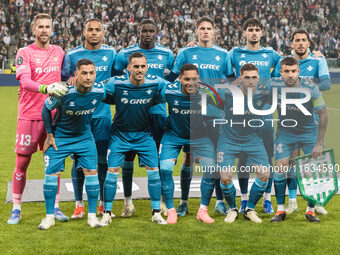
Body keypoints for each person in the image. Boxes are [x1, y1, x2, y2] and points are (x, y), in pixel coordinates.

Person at [170, 16, 234, 217]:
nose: (205, 31)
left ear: (214, 32)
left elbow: (230, 81)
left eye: (209, 28)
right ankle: (183, 202)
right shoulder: (185, 52)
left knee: (215, 158)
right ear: (196, 32)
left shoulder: (223, 54)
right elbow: (173, 78)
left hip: (215, 112)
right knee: (188, 157)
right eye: (202, 28)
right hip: (191, 112)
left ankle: (220, 201)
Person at [8, 13, 68, 225]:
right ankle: (16, 208)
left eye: (47, 26)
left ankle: (56, 207)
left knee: (53, 164)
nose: (44, 30)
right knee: (22, 163)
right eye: (40, 26)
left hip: (53, 117)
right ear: (34, 30)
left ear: (52, 29)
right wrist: (45, 88)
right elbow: (24, 80)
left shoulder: (59, 52)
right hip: (29, 116)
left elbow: (66, 77)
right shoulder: (25, 52)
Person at [113, 19, 174, 217]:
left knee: (155, 160)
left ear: (157, 33)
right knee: (128, 158)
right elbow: (116, 77)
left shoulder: (167, 53)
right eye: (144, 31)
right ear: (138, 32)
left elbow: (172, 80)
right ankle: (128, 202)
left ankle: (161, 202)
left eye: (151, 31)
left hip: (157, 112)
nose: (148, 34)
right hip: (131, 111)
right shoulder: (125, 54)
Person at [100, 52, 168, 225]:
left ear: (147, 67)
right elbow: (94, 89)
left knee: (154, 172)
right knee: (112, 171)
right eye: (135, 66)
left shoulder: (155, 82)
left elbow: (177, 89)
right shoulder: (116, 82)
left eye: (142, 66)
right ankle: (107, 213)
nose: (139, 69)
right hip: (119, 135)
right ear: (128, 68)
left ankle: (156, 213)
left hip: (144, 135)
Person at [39, 58, 106, 230]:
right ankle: (49, 217)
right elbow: (46, 109)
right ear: (75, 75)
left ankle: (91, 217)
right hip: (60, 138)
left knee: (92, 172)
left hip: (84, 138)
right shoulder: (64, 92)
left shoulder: (100, 90)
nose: (88, 77)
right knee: (51, 175)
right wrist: (49, 134)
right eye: (84, 73)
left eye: (91, 73)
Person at [61, 18, 117, 219]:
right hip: (79, 117)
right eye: (90, 29)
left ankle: (102, 203)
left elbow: (119, 76)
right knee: (78, 161)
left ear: (103, 33)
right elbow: (63, 81)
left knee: (102, 161)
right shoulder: (73, 54)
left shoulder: (111, 53)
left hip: (102, 116)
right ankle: (78, 204)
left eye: (98, 30)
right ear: (84, 32)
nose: (94, 33)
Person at [273, 29, 331, 215]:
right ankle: (291, 201)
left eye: (303, 40)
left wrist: (303, 85)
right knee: (288, 162)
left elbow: (326, 85)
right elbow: (275, 80)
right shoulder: (284, 62)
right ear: (291, 44)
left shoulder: (317, 60)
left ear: (308, 43)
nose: (300, 43)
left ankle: (314, 203)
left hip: (309, 121)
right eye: (296, 40)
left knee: (310, 165)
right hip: (287, 124)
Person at [228, 18, 282, 214]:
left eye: (257, 30)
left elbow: (289, 64)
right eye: (250, 29)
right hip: (241, 113)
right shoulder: (234, 53)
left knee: (268, 157)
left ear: (262, 33)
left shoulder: (271, 54)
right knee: (243, 157)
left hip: (264, 113)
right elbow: (226, 75)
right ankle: (243, 199)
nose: (253, 33)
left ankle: (267, 200)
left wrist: (315, 56)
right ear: (244, 33)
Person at [159, 64, 216, 224]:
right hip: (173, 135)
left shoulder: (207, 93)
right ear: (179, 79)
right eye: (186, 79)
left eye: (194, 79)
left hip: (199, 137)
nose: (190, 82)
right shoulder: (168, 91)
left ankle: (202, 211)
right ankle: (171, 211)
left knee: (211, 169)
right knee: (165, 169)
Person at [216, 63, 271, 223]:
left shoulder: (264, 93)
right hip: (228, 139)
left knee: (264, 174)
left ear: (258, 78)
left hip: (253, 139)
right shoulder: (227, 92)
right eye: (247, 77)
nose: (251, 81)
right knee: (225, 177)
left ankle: (250, 209)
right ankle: (232, 209)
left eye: (254, 77)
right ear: (241, 78)